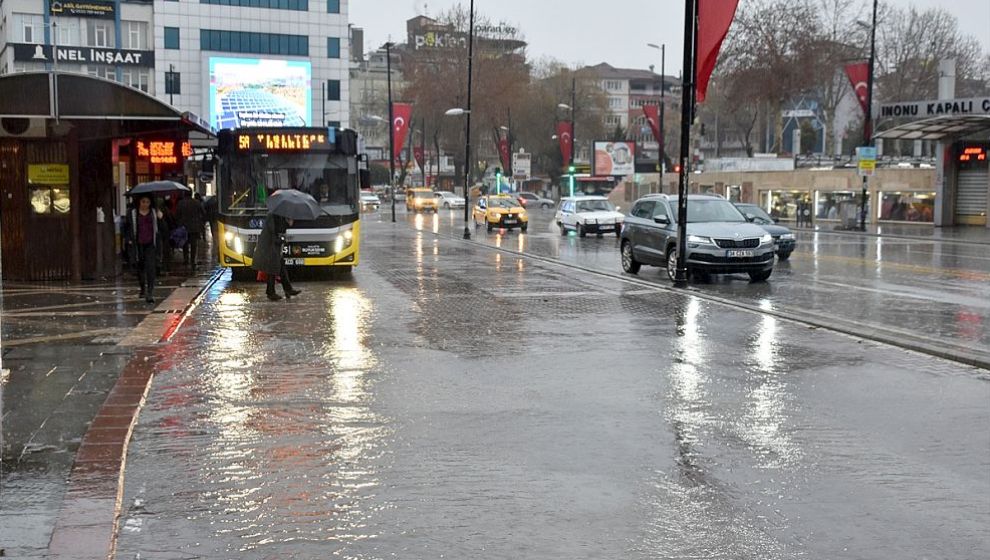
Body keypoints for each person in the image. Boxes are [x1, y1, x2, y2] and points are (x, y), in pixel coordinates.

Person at [251, 215, 302, 301]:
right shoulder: (273, 217)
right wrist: (282, 239)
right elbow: (274, 234)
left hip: (273, 248)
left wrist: (288, 223)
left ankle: (287, 289)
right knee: (272, 269)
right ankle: (271, 293)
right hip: (269, 247)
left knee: (281, 268)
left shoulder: (279, 216)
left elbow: (279, 230)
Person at [123, 195, 161, 304]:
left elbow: (162, 229)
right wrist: (128, 239)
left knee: (150, 268)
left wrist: (161, 218)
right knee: (140, 267)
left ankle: (150, 292)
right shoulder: (132, 213)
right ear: (139, 202)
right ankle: (142, 288)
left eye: (147, 202)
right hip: (137, 244)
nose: (145, 204)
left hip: (150, 244)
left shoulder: (154, 212)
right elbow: (126, 227)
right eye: (143, 202)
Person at [175, 191, 206, 269]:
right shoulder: (196, 202)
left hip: (183, 227)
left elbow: (177, 215)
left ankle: (186, 259)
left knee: (185, 244)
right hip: (194, 227)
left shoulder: (180, 203)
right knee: (193, 245)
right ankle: (193, 261)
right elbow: (203, 212)